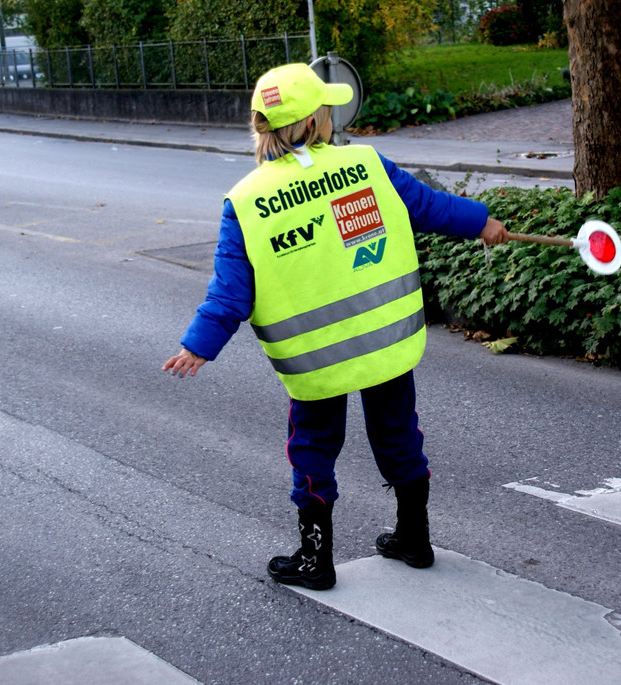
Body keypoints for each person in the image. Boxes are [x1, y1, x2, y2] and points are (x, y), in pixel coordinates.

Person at [163, 63, 508, 591]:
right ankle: (414, 538)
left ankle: (315, 559)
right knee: (398, 434)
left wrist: (198, 346)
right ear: (315, 120)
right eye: (327, 109)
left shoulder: (246, 202)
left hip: (315, 360)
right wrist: (482, 223)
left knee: (312, 447)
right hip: (384, 342)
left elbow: (231, 294)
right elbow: (428, 207)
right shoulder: (364, 164)